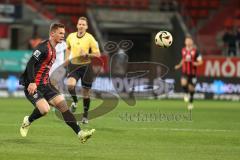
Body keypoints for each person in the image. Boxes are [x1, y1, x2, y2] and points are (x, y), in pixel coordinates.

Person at [19, 22, 95, 143]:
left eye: (63, 33)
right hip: (33, 86)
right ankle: (27, 121)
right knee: (44, 110)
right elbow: (30, 64)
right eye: (60, 33)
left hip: (46, 85)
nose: (62, 35)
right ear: (52, 33)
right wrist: (32, 82)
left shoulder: (54, 50)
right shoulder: (43, 47)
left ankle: (80, 134)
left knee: (63, 106)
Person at [65, 16, 100, 124]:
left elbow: (97, 54)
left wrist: (87, 54)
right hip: (74, 66)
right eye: (79, 24)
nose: (81, 26)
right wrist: (66, 58)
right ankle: (75, 102)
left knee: (86, 93)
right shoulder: (71, 36)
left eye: (83, 25)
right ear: (77, 25)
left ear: (86, 27)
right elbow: (68, 47)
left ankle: (85, 116)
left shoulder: (90, 38)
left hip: (86, 67)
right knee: (70, 85)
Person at [175, 36, 203, 110]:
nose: (188, 42)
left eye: (189, 41)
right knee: (183, 83)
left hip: (193, 73)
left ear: (192, 42)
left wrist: (196, 63)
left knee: (191, 89)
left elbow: (201, 61)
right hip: (185, 72)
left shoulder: (196, 51)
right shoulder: (183, 50)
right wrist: (179, 65)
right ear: (185, 42)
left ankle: (190, 103)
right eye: (187, 41)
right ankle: (186, 93)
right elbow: (183, 59)